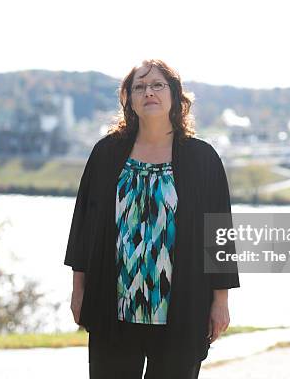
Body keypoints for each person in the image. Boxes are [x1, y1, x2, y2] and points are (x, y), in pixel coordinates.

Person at [64, 59, 240, 379]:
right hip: (113, 307)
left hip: (182, 309)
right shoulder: (106, 153)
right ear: (129, 99)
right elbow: (83, 227)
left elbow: (220, 235)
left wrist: (221, 301)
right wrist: (79, 290)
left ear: (175, 95)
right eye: (139, 87)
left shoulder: (202, 158)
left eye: (158, 85)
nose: (149, 92)